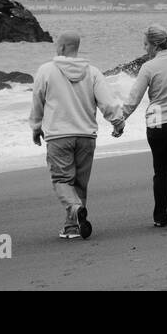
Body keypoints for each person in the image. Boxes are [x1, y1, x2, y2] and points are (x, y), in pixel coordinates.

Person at [29, 31, 125, 240]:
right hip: (86, 135)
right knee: (80, 183)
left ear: (62, 47)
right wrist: (117, 122)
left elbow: (38, 101)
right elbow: (107, 101)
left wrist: (36, 128)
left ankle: (74, 209)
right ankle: (72, 227)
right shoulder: (93, 72)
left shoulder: (46, 71)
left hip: (58, 136)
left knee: (62, 180)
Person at [119, 24, 167, 230]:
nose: (144, 49)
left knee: (160, 170)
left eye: (145, 45)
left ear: (154, 45)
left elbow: (133, 98)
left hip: (157, 124)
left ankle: (160, 216)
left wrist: (120, 120)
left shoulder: (149, 67)